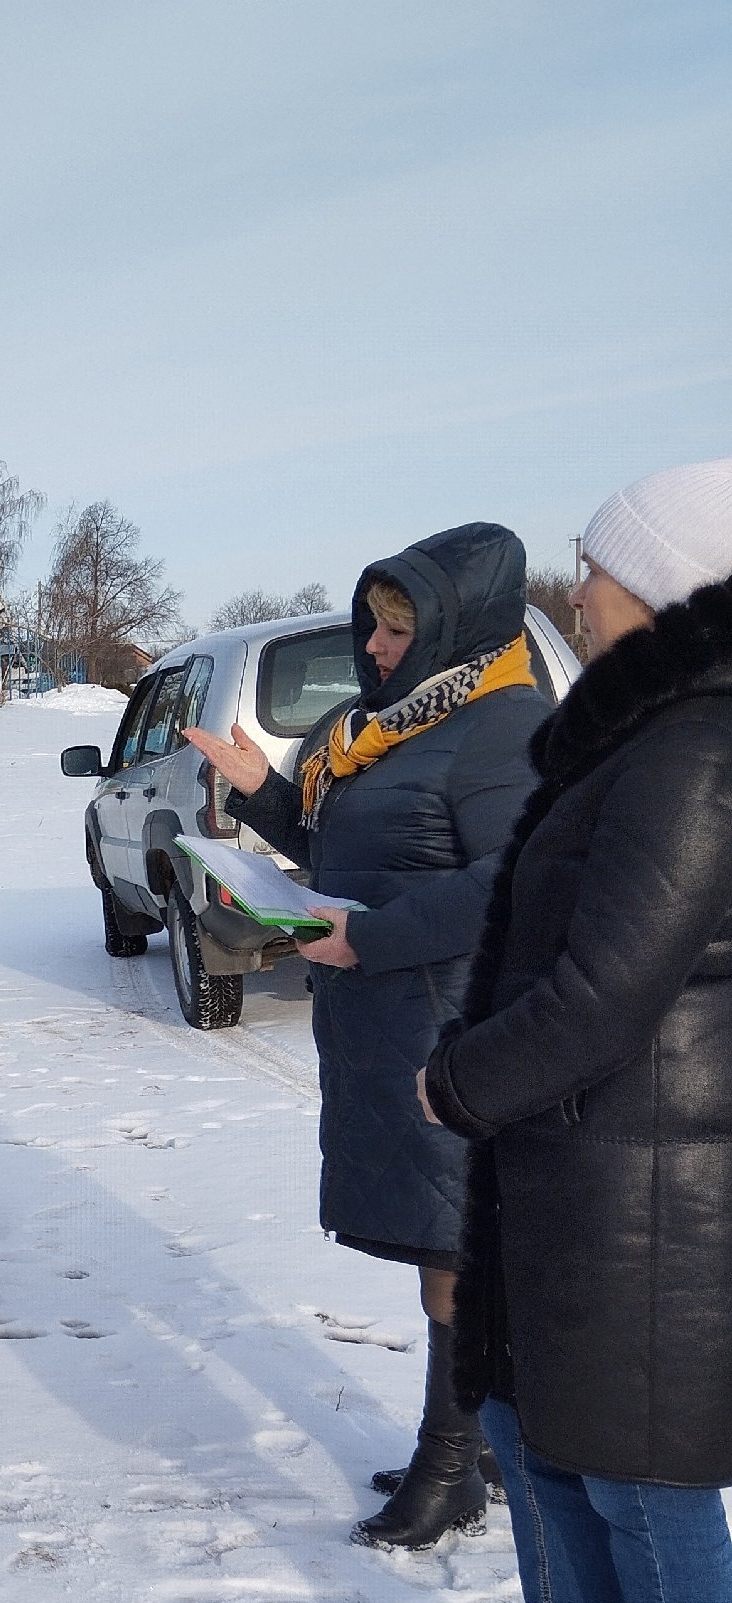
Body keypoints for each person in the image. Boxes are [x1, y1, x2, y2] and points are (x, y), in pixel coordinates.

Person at [420, 459, 732, 1603]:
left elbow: (608, 990)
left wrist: (459, 1077)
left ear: (656, 586)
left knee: (650, 1495)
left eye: (597, 565)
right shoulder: (638, 732)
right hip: (581, 1170)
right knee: (558, 1457)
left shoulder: (694, 748)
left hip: (654, 1187)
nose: (579, 586)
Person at [185, 524, 546, 1550]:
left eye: (401, 629)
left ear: (456, 628)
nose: (378, 648)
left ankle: (452, 1463)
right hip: (382, 1019)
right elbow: (347, 841)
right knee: (440, 1235)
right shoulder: (377, 725)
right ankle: (466, 1435)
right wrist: (260, 789)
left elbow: (516, 877)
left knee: (455, 1242)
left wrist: (376, 936)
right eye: (375, 625)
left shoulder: (502, 725)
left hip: (452, 1019)